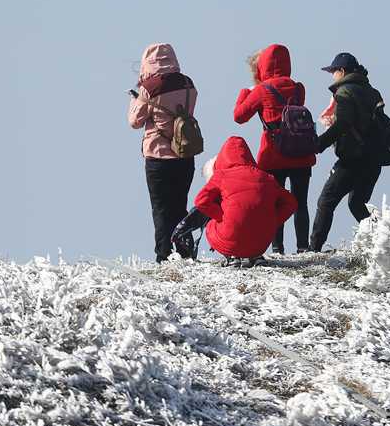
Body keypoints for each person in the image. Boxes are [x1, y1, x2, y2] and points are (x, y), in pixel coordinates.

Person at [233, 44, 316, 254]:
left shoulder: (262, 90)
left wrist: (245, 92)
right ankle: (303, 247)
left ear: (263, 66)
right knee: (301, 203)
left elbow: (239, 116)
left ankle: (277, 247)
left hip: (274, 156)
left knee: (274, 204)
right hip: (301, 154)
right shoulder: (298, 87)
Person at [179, 136, 297, 268]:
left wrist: (220, 216)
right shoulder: (265, 177)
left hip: (231, 239)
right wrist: (274, 220)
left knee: (211, 225)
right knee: (253, 223)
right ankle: (255, 256)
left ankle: (232, 257)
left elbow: (201, 201)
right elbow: (291, 203)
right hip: (261, 242)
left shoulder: (221, 176)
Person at [128, 43, 198, 262]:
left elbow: (134, 121)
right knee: (180, 206)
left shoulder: (149, 87)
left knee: (160, 209)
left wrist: (135, 99)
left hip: (158, 156)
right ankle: (184, 253)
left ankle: (163, 255)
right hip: (185, 153)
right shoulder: (188, 83)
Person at [309, 52, 385, 252]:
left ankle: (314, 249)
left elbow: (343, 123)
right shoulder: (373, 92)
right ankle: (384, 240)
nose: (332, 75)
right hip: (374, 159)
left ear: (342, 71)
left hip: (352, 160)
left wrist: (319, 144)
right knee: (357, 204)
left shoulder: (345, 92)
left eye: (333, 71)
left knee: (326, 201)